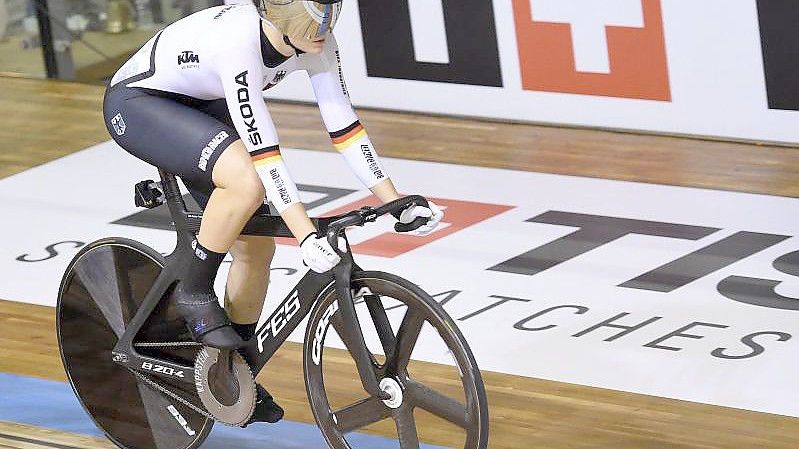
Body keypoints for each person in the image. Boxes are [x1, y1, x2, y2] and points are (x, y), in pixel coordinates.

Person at [102, 0, 443, 425]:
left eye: (330, 16)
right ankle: (193, 290)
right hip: (142, 103)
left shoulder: (316, 39)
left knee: (256, 250)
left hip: (204, 99)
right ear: (277, 17)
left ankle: (232, 373)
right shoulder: (239, 44)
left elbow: (344, 124)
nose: (324, 29)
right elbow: (266, 154)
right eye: (314, 20)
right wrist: (304, 233)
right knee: (245, 182)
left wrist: (393, 198)